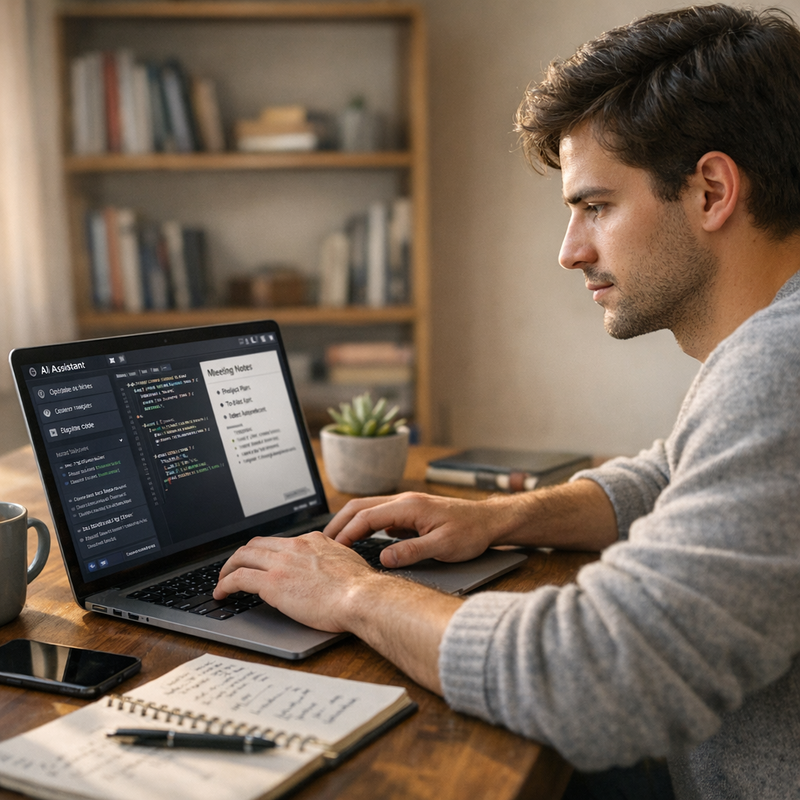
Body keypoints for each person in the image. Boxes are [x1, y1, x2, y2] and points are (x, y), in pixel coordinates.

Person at [214, 5, 800, 798]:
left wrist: (354, 592)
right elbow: (682, 470)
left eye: (595, 206)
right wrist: (501, 517)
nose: (571, 251)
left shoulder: (779, 369)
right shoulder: (771, 353)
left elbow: (600, 680)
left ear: (710, 190)